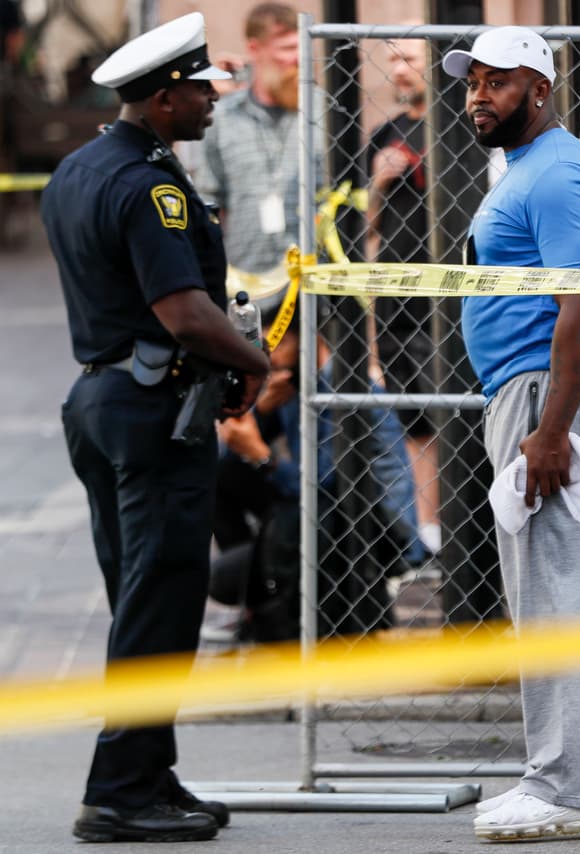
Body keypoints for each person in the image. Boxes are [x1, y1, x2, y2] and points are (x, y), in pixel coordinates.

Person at [40, 13, 271, 843]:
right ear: (166, 97)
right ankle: (118, 794)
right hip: (152, 414)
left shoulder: (77, 170)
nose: (211, 103)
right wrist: (253, 359)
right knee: (159, 602)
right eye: (201, 91)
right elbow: (183, 313)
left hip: (99, 406)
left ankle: (149, 774)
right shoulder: (151, 185)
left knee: (142, 599)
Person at [441, 26, 580, 842]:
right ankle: (550, 776)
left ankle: (570, 793)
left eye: (498, 81)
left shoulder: (556, 175)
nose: (478, 93)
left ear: (540, 90)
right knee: (542, 595)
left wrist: (552, 431)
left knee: (565, 594)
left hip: (551, 400)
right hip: (525, 394)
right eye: (473, 79)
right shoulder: (525, 171)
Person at [210, 296, 427, 641]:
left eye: (276, 344)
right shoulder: (292, 384)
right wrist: (261, 413)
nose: (269, 356)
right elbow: (230, 461)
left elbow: (323, 490)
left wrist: (262, 456)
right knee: (222, 476)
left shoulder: (342, 389)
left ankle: (279, 603)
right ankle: (268, 600)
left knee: (222, 577)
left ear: (308, 338)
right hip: (317, 513)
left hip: (369, 530)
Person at [366, 31, 441, 557]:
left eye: (409, 58)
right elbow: (364, 223)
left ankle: (451, 528)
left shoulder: (456, 128)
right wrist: (378, 181)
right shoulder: (384, 134)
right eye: (392, 59)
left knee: (445, 412)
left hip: (443, 293)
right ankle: (427, 533)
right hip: (395, 294)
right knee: (411, 416)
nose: (399, 70)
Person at [192, 2, 303, 274]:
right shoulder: (223, 116)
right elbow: (209, 198)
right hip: (250, 280)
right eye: (287, 48)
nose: (298, 57)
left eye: (302, 46)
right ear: (255, 49)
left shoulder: (321, 111)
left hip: (317, 284)